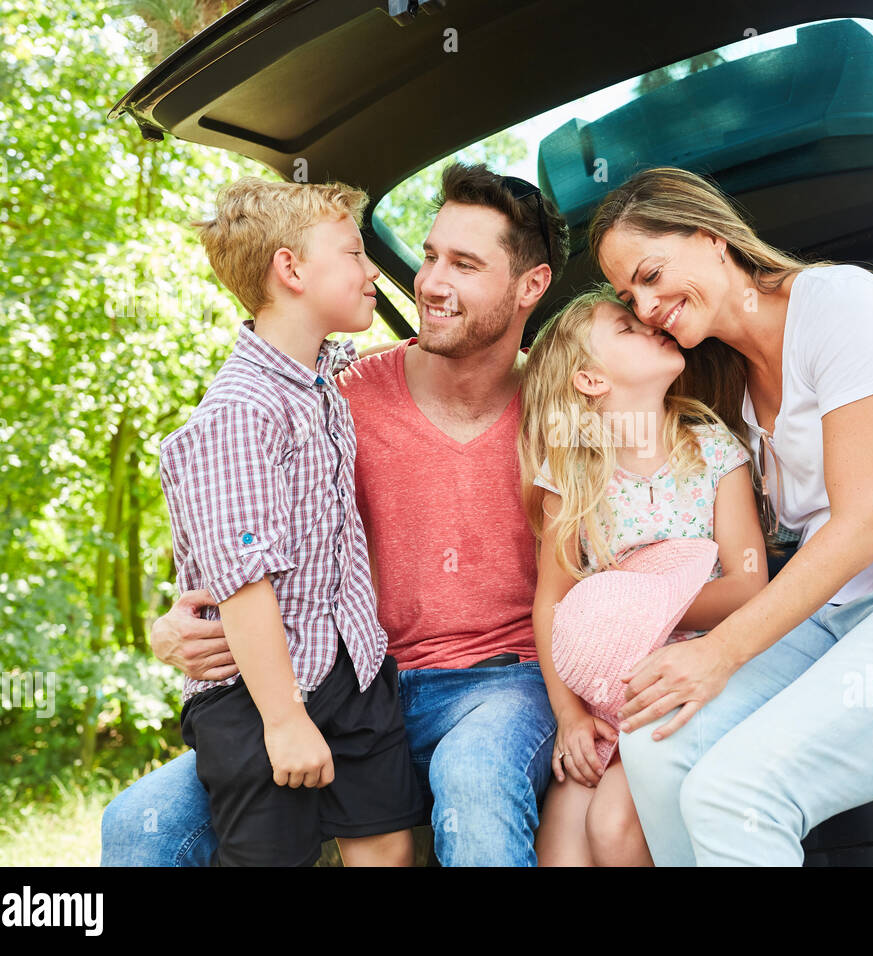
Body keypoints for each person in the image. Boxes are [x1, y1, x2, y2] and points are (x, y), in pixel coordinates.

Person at [100, 162, 572, 867]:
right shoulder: (335, 393)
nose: (429, 281)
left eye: (464, 264)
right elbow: (232, 539)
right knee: (138, 822)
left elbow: (632, 555)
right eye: (431, 255)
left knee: (474, 784)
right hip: (349, 679)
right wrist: (170, 627)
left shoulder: (565, 410)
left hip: (497, 685)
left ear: (530, 286)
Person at [588, 166, 873, 866]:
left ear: (712, 236)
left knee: (735, 792)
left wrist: (717, 651)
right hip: (846, 614)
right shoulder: (734, 389)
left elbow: (860, 525)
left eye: (652, 275)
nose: (649, 304)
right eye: (631, 296)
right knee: (655, 740)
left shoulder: (839, 303)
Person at [159, 176, 424, 866]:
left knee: (389, 846)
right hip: (259, 689)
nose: (371, 272)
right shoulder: (242, 414)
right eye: (353, 253)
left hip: (350, 667)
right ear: (292, 269)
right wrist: (283, 721)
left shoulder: (318, 378)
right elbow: (244, 583)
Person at [517, 285, 767, 865]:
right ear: (591, 381)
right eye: (627, 329)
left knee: (611, 827)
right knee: (562, 854)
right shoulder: (571, 472)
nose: (651, 324)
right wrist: (569, 715)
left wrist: (639, 616)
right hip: (602, 693)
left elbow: (748, 583)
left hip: (690, 682)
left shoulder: (711, 450)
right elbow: (551, 602)